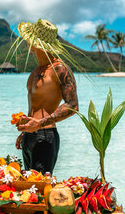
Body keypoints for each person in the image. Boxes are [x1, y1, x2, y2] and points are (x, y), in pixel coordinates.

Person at [14, 19, 79, 175]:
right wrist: (26, 131)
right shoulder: (36, 71)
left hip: (45, 136)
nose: (26, 41)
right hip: (29, 136)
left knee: (39, 189)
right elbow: (37, 105)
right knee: (28, 189)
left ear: (35, 42)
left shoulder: (59, 68)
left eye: (29, 38)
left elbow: (73, 105)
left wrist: (40, 123)